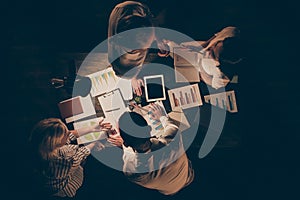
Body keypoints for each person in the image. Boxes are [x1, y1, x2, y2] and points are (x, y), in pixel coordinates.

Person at [108, 103, 194, 195]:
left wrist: (124, 144)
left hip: (169, 190)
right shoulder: (173, 141)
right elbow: (172, 127)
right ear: (149, 129)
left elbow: (130, 153)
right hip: (187, 176)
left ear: (125, 143)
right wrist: (162, 117)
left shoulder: (130, 170)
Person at [28, 117, 112, 197]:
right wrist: (94, 144)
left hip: (47, 175)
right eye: (65, 134)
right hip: (63, 184)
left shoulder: (42, 146)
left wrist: (92, 128)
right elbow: (80, 155)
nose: (69, 133)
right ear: (57, 143)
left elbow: (70, 134)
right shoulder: (63, 159)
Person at [107, 1, 168, 96]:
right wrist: (132, 77)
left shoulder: (144, 17)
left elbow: (154, 21)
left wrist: (158, 38)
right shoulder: (119, 43)